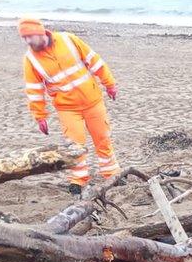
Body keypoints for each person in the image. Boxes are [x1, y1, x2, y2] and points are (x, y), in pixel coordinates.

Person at [19, 17, 120, 194]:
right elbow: (34, 90)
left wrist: (109, 84)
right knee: (75, 146)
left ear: (40, 32)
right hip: (67, 109)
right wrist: (40, 116)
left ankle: (111, 173)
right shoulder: (30, 60)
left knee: (103, 139)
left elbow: (95, 61)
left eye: (30, 36)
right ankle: (78, 180)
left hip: (93, 101)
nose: (27, 41)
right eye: (24, 38)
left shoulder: (68, 40)